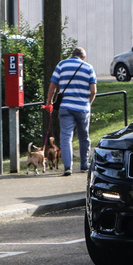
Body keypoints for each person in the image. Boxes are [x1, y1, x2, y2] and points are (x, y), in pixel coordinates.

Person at [46, 47, 97, 176]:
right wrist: (88, 103)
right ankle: (84, 165)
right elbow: (93, 91)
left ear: (71, 54)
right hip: (82, 108)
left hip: (66, 107)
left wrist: (49, 101)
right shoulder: (89, 67)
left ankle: (68, 167)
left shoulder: (62, 65)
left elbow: (53, 85)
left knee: (66, 137)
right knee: (84, 137)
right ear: (83, 57)